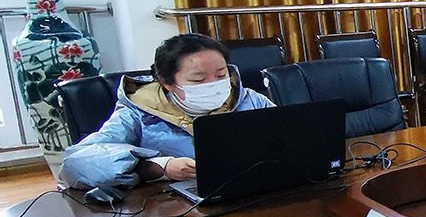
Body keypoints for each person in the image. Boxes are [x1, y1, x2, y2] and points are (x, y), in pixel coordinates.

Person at [60, 32, 275, 189]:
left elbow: (287, 139)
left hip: (251, 193)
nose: (214, 84)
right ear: (167, 83)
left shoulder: (249, 99)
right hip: (175, 209)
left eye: (221, 75)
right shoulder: (139, 112)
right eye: (198, 79)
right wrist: (156, 167)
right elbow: (76, 162)